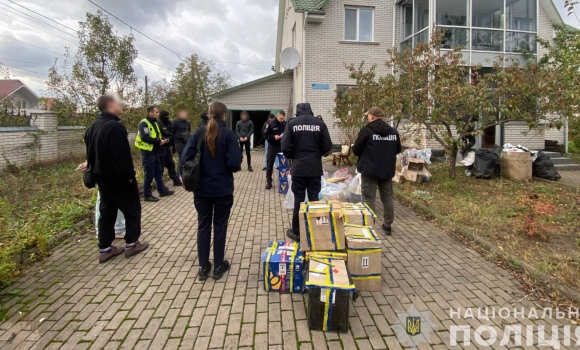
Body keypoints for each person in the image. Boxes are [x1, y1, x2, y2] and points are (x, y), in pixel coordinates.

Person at [84, 94, 149, 263]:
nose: (121, 105)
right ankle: (132, 244)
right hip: (118, 179)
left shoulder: (93, 126)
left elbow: (90, 153)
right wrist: (129, 177)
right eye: (118, 102)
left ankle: (105, 249)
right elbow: (121, 157)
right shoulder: (115, 127)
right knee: (132, 209)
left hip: (101, 178)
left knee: (107, 212)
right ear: (111, 104)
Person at [181, 102, 242, 281]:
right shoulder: (229, 135)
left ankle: (202, 267)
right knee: (220, 227)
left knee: (203, 226)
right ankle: (218, 266)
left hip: (201, 190)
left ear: (209, 114)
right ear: (224, 115)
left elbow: (185, 158)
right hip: (222, 190)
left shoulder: (199, 133)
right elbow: (234, 163)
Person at [282, 103, 332, 241]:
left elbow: (285, 146)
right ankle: (316, 229)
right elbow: (327, 145)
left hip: (298, 167)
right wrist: (318, 154)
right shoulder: (319, 124)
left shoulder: (292, 124)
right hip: (314, 168)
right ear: (310, 110)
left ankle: (297, 232)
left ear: (298, 111)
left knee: (298, 199)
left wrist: (294, 156)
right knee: (314, 198)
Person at [352, 107, 402, 235]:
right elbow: (397, 150)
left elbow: (356, 150)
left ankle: (369, 225)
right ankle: (388, 225)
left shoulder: (366, 131)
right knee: (387, 198)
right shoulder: (393, 132)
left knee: (369, 199)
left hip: (370, 171)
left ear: (372, 117)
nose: (368, 118)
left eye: (368, 116)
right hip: (386, 171)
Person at [135, 106, 175, 202]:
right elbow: (145, 137)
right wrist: (158, 141)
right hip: (147, 152)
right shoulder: (144, 123)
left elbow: (157, 135)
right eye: (156, 112)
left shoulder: (155, 123)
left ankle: (162, 190)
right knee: (149, 174)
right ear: (150, 113)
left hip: (155, 151)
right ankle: (147, 195)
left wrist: (162, 141)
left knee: (158, 171)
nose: (158, 114)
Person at [263, 111, 286, 189]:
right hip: (273, 146)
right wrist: (273, 137)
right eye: (280, 118)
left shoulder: (285, 124)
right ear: (277, 116)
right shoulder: (271, 124)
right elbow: (265, 135)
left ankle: (283, 181)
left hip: (282, 147)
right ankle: (269, 182)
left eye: (283, 119)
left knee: (284, 165)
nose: (282, 120)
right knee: (269, 165)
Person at [158, 110, 181, 186]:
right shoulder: (158, 123)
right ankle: (160, 185)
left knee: (171, 164)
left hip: (167, 147)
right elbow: (158, 136)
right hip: (160, 147)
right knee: (161, 166)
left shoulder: (169, 123)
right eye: (166, 117)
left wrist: (173, 145)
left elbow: (172, 134)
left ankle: (176, 181)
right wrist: (165, 139)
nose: (167, 118)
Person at [172, 109, 191, 175]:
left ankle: (186, 173)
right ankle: (179, 175)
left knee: (187, 157)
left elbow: (188, 131)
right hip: (178, 142)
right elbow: (171, 132)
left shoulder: (187, 123)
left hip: (186, 142)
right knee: (181, 158)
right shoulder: (175, 122)